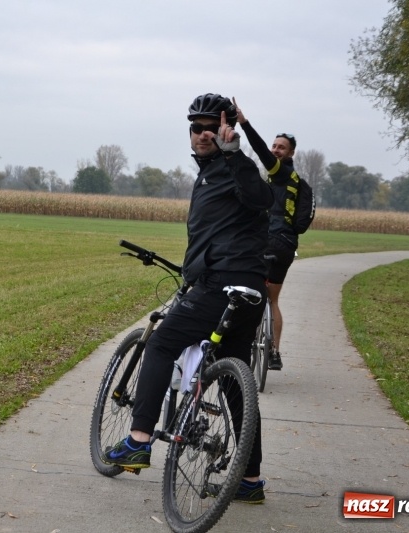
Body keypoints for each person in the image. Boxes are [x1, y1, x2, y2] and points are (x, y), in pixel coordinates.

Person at [104, 93, 275, 503]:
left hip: (224, 285)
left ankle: (138, 440)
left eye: (212, 128)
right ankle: (249, 480)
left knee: (162, 344)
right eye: (196, 128)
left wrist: (235, 153)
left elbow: (262, 199)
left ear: (226, 131)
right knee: (235, 383)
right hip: (244, 290)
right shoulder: (210, 173)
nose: (203, 134)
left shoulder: (233, 167)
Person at [236, 101, 301, 371]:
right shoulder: (292, 179)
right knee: (273, 300)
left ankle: (242, 345)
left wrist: (244, 124)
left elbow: (260, 151)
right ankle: (274, 352)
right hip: (286, 245)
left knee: (249, 293)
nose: (275, 150)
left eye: (281, 147)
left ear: (291, 153)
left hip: (270, 242)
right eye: (275, 145)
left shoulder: (281, 172)